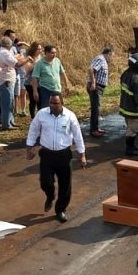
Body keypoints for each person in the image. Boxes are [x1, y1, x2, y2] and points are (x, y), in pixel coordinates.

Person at [25, 93, 86, 223]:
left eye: (55, 103)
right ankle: (50, 195)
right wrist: (29, 148)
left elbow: (77, 135)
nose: (52, 105)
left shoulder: (70, 116)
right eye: (51, 103)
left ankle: (60, 210)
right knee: (45, 182)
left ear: (62, 103)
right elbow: (34, 129)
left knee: (65, 185)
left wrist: (82, 154)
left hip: (64, 155)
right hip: (46, 154)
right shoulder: (42, 114)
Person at [0, 36, 19, 130]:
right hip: (5, 80)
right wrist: (26, 59)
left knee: (8, 103)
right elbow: (16, 63)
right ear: (10, 45)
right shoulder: (5, 53)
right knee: (7, 104)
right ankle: (6, 124)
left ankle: (10, 121)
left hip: (0, 80)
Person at [87, 46, 112, 137]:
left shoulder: (103, 60)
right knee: (95, 109)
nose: (111, 58)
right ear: (109, 54)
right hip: (95, 86)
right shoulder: (101, 59)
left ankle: (96, 128)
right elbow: (91, 69)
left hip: (98, 87)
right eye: (111, 55)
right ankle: (93, 130)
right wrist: (93, 83)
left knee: (96, 108)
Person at [34, 45, 69, 109]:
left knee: (59, 108)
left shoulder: (57, 61)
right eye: (52, 53)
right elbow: (34, 78)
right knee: (46, 109)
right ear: (46, 53)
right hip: (46, 90)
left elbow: (63, 73)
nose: (54, 55)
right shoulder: (39, 63)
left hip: (57, 89)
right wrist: (35, 91)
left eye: (55, 53)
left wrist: (67, 85)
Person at [22, 42, 43, 118]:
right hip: (29, 82)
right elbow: (27, 69)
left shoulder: (40, 56)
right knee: (33, 100)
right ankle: (33, 117)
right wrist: (35, 64)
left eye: (41, 49)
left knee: (40, 100)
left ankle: (40, 116)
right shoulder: (29, 57)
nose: (41, 50)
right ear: (34, 49)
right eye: (39, 49)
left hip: (39, 82)